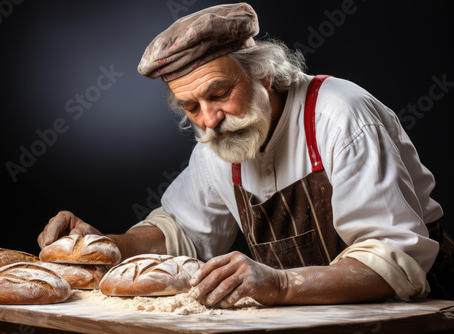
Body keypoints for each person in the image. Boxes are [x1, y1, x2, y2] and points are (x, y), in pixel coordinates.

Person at [38, 3, 453, 307]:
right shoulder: (219, 144)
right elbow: (181, 231)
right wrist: (101, 246)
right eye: (190, 106)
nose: (209, 120)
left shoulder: (340, 115)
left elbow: (393, 258)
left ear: (264, 74)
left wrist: (282, 286)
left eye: (218, 94)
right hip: (316, 317)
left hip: (414, 311)